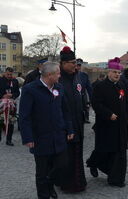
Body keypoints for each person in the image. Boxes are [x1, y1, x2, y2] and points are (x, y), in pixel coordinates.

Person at [19, 61, 74, 199]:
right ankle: (44, 194)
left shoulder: (59, 88)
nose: (60, 76)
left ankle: (50, 184)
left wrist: (70, 129)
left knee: (63, 164)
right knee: (42, 172)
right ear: (49, 75)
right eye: (58, 73)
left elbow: (65, 110)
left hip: (59, 135)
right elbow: (24, 116)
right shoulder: (30, 89)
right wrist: (28, 137)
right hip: (40, 137)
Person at [86, 57, 128, 187]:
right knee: (103, 149)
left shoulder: (121, 85)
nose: (117, 75)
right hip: (105, 125)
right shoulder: (100, 86)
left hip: (119, 125)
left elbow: (123, 103)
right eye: (115, 72)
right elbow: (96, 104)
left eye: (119, 73)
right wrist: (109, 114)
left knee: (118, 151)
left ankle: (116, 179)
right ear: (109, 72)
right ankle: (93, 163)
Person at [58, 46, 87, 192]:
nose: (75, 65)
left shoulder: (77, 77)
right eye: (71, 62)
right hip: (63, 125)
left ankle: (78, 181)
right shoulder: (58, 79)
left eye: (75, 62)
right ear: (63, 64)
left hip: (77, 122)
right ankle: (66, 183)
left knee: (77, 153)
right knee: (66, 156)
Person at [0, 67, 20, 146]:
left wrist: (12, 95)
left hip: (11, 104)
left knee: (11, 122)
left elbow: (18, 92)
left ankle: (9, 140)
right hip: (1, 104)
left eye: (11, 74)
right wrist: (3, 96)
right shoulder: (0, 80)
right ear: (5, 73)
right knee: (1, 121)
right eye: (8, 74)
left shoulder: (15, 81)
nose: (9, 76)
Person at [76, 58, 92, 123]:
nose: (78, 67)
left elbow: (89, 88)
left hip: (83, 94)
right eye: (77, 65)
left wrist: (92, 98)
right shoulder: (71, 75)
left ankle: (86, 118)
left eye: (79, 65)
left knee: (86, 107)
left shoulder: (84, 75)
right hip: (75, 95)